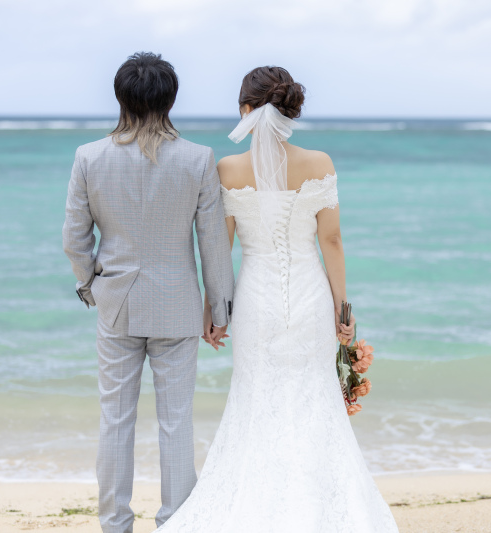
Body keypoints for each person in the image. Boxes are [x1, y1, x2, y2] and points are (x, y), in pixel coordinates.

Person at [155, 66, 399, 532]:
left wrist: (214, 311)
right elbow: (332, 242)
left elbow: (219, 248)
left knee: (254, 400)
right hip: (309, 299)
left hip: (255, 303)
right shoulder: (320, 163)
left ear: (246, 111)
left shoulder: (227, 168)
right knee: (316, 402)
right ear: (291, 111)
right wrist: (342, 311)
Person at [62, 52, 234, 533]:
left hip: (116, 305)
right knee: (176, 422)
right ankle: (175, 522)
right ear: (170, 98)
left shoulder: (89, 157)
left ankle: (115, 524)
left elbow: (74, 239)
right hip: (178, 306)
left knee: (114, 421)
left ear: (121, 97)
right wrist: (219, 309)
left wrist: (91, 285)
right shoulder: (199, 159)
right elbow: (213, 243)